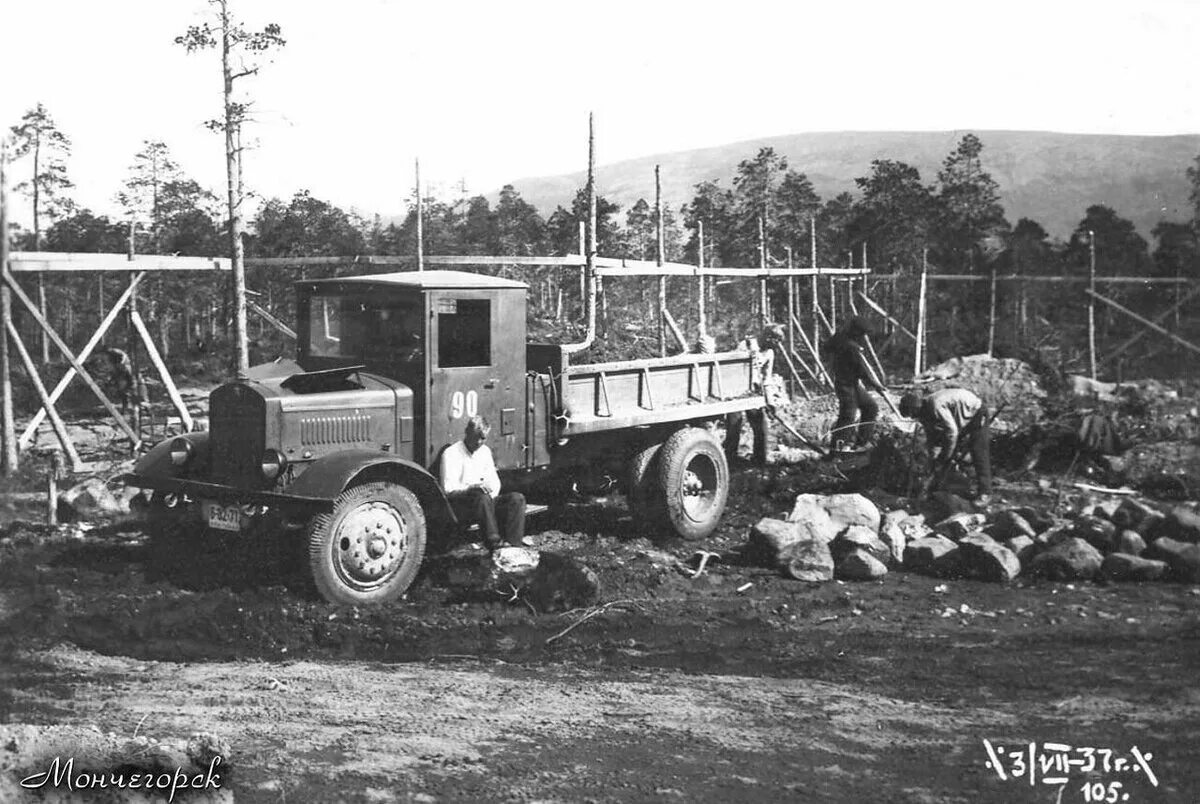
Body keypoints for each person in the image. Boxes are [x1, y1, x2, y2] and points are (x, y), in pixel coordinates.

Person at [439, 416, 529, 549]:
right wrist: (472, 488)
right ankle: (494, 545)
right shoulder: (451, 453)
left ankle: (513, 546)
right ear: (467, 432)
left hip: (484, 503)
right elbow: (448, 489)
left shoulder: (485, 452)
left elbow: (494, 483)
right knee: (481, 497)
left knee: (517, 499)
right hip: (460, 505)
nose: (479, 442)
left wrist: (489, 494)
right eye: (476, 437)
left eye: (483, 438)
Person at [899, 387, 993, 501]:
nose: (915, 418)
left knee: (978, 452)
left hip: (976, 412)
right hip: (960, 420)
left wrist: (945, 455)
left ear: (916, 409)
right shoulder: (924, 413)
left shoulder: (935, 406)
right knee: (947, 456)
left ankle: (985, 493)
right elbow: (931, 437)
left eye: (913, 414)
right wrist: (933, 458)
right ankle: (940, 488)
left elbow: (952, 432)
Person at [825, 316, 888, 451]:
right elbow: (862, 370)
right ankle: (836, 450)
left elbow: (828, 346)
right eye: (862, 334)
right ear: (857, 332)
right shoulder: (850, 346)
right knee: (848, 416)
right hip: (845, 385)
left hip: (852, 384)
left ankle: (861, 443)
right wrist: (875, 385)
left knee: (870, 408)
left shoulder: (841, 338)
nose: (864, 337)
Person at [725, 324, 784, 466]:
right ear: (768, 337)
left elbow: (767, 378)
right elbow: (733, 369)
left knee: (761, 425)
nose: (777, 344)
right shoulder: (746, 345)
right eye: (776, 340)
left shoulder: (769, 353)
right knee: (734, 424)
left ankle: (759, 460)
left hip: (754, 392)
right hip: (736, 390)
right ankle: (730, 460)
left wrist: (770, 402)